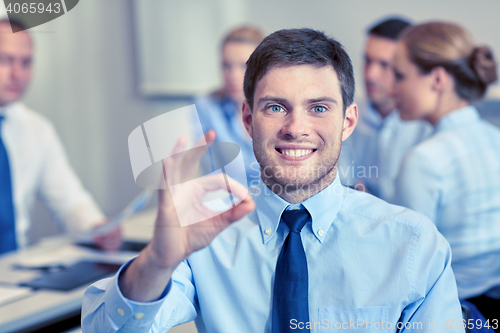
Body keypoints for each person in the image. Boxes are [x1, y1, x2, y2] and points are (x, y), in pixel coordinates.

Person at [82, 28, 464, 332]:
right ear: (248, 120)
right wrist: (157, 262)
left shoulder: (413, 244)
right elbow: (106, 329)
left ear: (347, 121)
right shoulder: (205, 238)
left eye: (318, 108)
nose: (296, 128)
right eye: (276, 107)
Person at [392, 21, 500, 326]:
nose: (391, 88)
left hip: (461, 315)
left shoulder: (424, 160)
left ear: (437, 79)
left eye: (400, 75)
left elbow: (410, 268)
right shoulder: (496, 138)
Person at [0, 19, 121, 253]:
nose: (17, 73)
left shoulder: (36, 129)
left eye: (26, 63)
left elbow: (69, 201)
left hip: (11, 273)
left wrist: (97, 228)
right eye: (5, 60)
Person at [338, 18, 430, 201]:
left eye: (384, 65)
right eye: (368, 60)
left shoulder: (426, 125)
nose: (370, 74)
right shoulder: (344, 111)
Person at [193, 26, 265, 187]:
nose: (233, 75)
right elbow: (210, 173)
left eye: (244, 66)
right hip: (228, 202)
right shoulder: (206, 107)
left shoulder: (279, 108)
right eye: (226, 65)